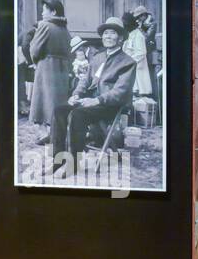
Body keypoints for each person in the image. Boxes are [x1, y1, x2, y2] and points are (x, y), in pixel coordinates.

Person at [50, 17, 137, 175]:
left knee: (77, 115)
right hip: (90, 100)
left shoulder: (127, 62)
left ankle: (73, 164)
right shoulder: (98, 57)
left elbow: (121, 91)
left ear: (121, 38)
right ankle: (58, 160)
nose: (107, 36)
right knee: (59, 111)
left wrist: (97, 100)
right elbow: (85, 80)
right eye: (105, 33)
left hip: (110, 105)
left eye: (112, 33)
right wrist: (76, 94)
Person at [28, 0, 71, 146]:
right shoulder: (65, 29)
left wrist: (36, 62)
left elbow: (34, 49)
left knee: (42, 99)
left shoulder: (44, 25)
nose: (42, 12)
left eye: (45, 9)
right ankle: (55, 133)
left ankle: (44, 134)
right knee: (56, 101)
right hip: (62, 68)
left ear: (53, 12)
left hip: (46, 66)